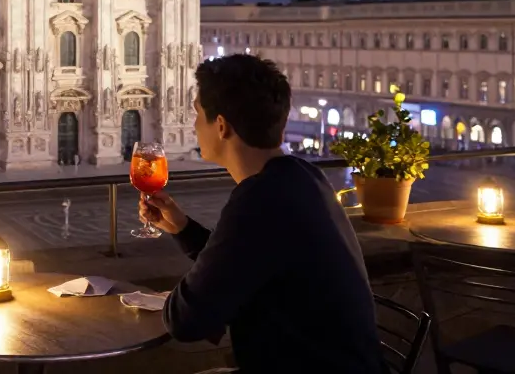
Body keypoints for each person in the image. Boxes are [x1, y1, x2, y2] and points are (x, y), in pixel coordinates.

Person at [139, 54, 382, 373]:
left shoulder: (259, 201)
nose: (194, 125)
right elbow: (248, 261)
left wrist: (178, 296)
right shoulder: (302, 176)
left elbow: (185, 321)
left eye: (197, 114)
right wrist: (184, 229)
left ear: (222, 126)